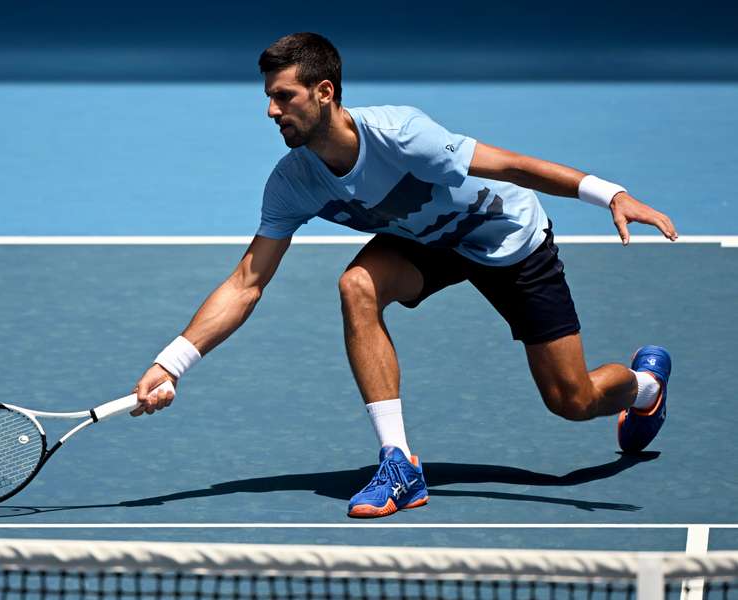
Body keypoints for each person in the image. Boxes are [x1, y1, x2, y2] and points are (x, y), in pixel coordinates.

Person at [130, 32, 677, 518]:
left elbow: (511, 166)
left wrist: (611, 193)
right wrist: (170, 364)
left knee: (572, 400)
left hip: (506, 237)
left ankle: (645, 388)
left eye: (283, 97)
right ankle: (398, 463)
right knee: (357, 285)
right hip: (429, 245)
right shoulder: (294, 181)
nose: (272, 111)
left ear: (324, 92)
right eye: (269, 98)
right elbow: (246, 283)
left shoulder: (401, 134)